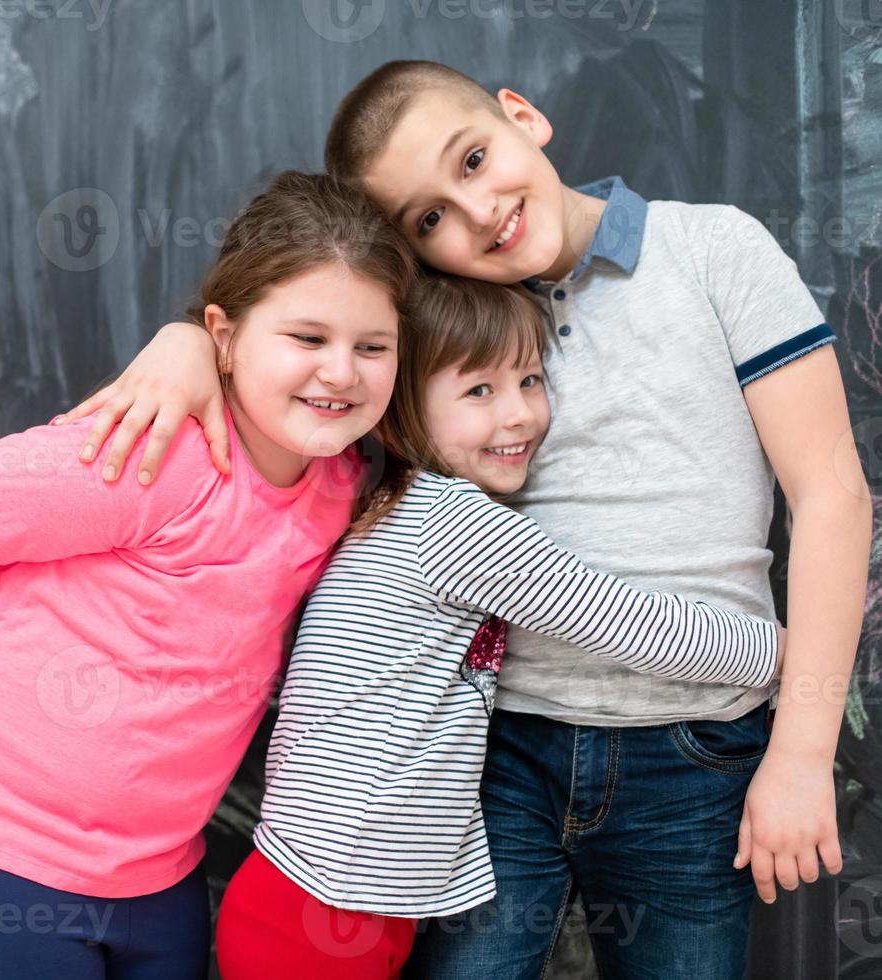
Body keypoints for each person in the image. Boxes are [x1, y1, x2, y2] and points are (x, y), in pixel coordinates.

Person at [51, 61, 870, 978]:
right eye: (429, 218)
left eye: (475, 159)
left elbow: (832, 492)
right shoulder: (432, 324)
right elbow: (302, 318)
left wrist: (803, 748)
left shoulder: (714, 250)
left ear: (522, 116)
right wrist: (190, 342)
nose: (477, 214)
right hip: (495, 752)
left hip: (694, 751)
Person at [0, 170, 414, 979]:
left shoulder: (342, 487)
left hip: (158, 871)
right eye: (307, 338)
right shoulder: (153, 450)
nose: (341, 373)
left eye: (372, 348)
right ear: (223, 334)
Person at [213, 273, 785, 979]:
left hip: (344, 899)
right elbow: (642, 628)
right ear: (400, 414)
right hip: (319, 907)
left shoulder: (393, 500)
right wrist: (791, 650)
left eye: (530, 380)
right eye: (478, 391)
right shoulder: (453, 523)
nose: (518, 415)